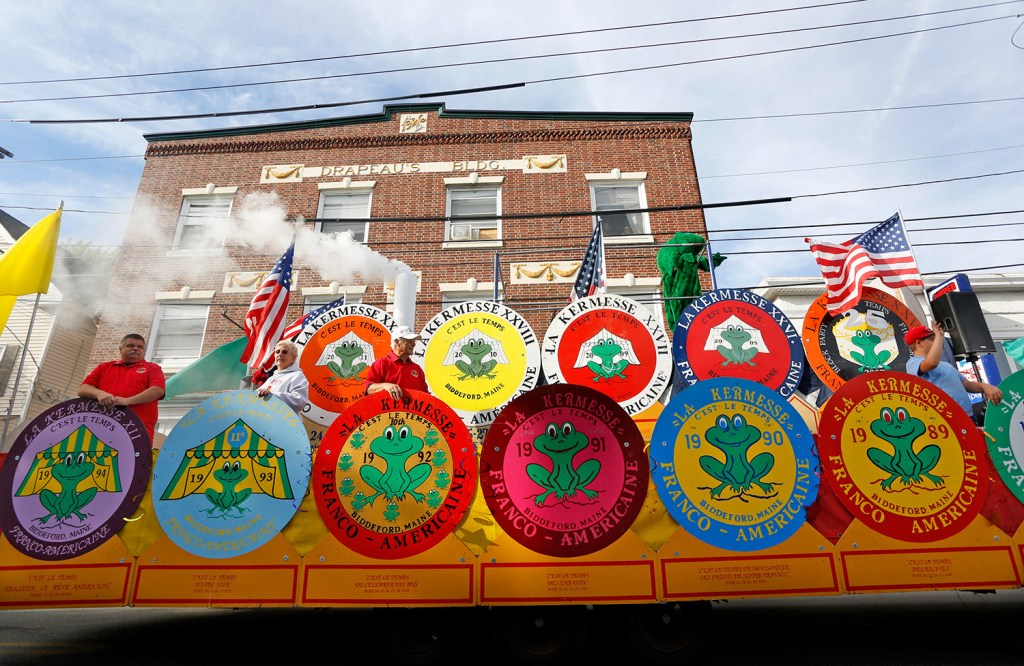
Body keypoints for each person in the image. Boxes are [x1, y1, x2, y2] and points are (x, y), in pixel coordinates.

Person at [905, 321, 1002, 421]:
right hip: (943, 419)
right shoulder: (913, 363)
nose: (939, 342)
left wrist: (985, 386)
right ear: (919, 343)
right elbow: (931, 363)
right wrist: (939, 336)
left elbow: (966, 384)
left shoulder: (946, 365)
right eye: (932, 340)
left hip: (967, 416)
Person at [78, 333, 166, 442]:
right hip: (99, 430)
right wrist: (99, 394)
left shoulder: (152, 368)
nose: (135, 348)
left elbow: (157, 390)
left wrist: (127, 401)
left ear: (144, 351)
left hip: (136, 432)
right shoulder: (104, 367)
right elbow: (83, 389)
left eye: (140, 347)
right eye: (130, 345)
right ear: (120, 349)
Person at [365, 325, 428, 399]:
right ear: (397, 342)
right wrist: (385, 386)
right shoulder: (382, 363)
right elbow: (368, 389)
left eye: (414, 341)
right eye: (409, 341)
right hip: (388, 410)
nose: (413, 344)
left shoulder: (417, 369)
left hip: (410, 411)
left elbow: (426, 396)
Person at [255, 340, 309, 414]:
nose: (280, 354)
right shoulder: (271, 378)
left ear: (293, 358)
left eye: (284, 352)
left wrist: (273, 396)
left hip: (285, 422)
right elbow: (255, 396)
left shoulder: (297, 376)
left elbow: (299, 401)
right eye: (277, 352)